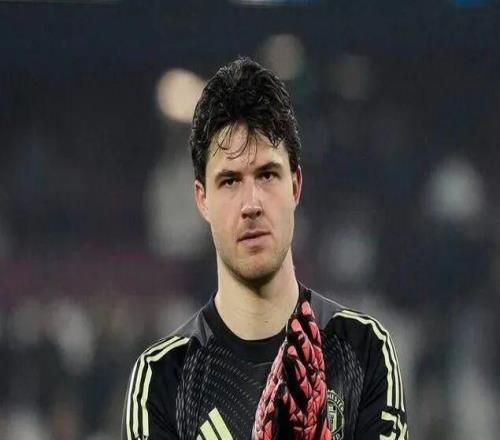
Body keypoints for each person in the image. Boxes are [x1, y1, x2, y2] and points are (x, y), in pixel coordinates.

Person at [122, 57, 408, 440]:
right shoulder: (162, 377)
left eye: (268, 175)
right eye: (229, 181)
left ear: (296, 186)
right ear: (202, 200)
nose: (251, 204)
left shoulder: (364, 350)